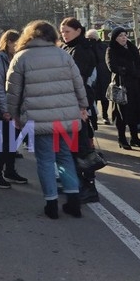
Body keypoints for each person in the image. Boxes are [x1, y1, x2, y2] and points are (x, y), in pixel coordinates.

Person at [5, 20, 88, 220]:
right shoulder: (63, 55)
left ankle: (51, 204)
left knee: (45, 160)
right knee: (66, 157)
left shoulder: (21, 57)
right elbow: (78, 83)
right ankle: (73, 202)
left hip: (38, 118)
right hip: (66, 117)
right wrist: (82, 107)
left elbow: (13, 91)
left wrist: (14, 114)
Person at [59, 18, 100, 204]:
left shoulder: (82, 50)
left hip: (78, 104)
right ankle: (75, 182)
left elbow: (78, 81)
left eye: (66, 31)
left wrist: (82, 107)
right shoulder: (68, 48)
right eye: (62, 31)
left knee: (82, 147)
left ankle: (88, 187)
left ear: (78, 30)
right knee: (70, 147)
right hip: (68, 104)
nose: (63, 34)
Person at [0, 30, 28, 188]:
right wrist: (6, 110)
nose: (18, 47)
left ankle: (10, 171)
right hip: (4, 109)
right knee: (6, 143)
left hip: (15, 107)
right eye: (16, 44)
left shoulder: (12, 57)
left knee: (13, 142)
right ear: (8, 42)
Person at [106, 27, 140, 150]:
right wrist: (127, 71)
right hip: (122, 85)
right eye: (120, 36)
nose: (124, 38)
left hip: (136, 84)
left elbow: (138, 61)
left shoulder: (132, 48)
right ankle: (121, 139)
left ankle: (135, 138)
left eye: (125, 35)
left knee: (135, 111)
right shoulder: (112, 49)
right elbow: (112, 66)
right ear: (115, 38)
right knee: (122, 113)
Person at [86, 29, 111, 125]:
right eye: (89, 38)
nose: (90, 40)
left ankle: (105, 115)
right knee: (93, 97)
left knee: (105, 98)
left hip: (104, 74)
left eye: (92, 38)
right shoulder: (87, 48)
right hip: (92, 75)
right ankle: (94, 117)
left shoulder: (104, 46)